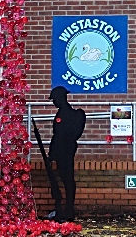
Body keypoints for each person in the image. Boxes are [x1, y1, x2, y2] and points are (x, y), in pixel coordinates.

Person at [48, 86, 86, 222]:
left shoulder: (65, 114)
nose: (54, 102)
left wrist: (52, 154)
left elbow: (58, 136)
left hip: (64, 149)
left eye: (55, 99)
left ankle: (68, 210)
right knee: (66, 179)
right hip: (66, 149)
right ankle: (66, 210)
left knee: (67, 179)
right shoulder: (64, 113)